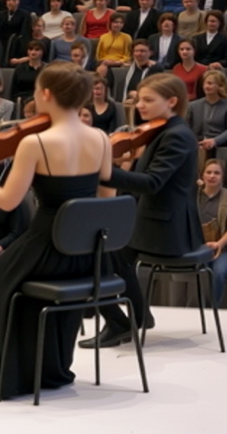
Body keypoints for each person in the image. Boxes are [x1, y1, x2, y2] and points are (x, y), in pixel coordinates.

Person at [0, 63, 115, 400]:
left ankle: (12, 374)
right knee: (17, 279)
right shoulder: (101, 139)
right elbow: (107, 199)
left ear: (46, 94)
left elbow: (6, 200)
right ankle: (52, 367)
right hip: (86, 252)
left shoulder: (35, 143)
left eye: (36, 90)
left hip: (46, 243)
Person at [87, 72, 202, 349]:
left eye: (148, 100)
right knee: (102, 252)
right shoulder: (162, 129)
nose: (139, 105)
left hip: (167, 227)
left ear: (172, 101)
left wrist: (103, 172)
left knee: (94, 256)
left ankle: (122, 322)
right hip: (153, 219)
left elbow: (152, 183)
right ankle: (137, 316)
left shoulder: (176, 136)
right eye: (139, 99)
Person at [193, 158, 227, 304]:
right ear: (202, 175)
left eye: (216, 173)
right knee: (200, 272)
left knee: (219, 273)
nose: (212, 176)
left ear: (223, 176)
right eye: (208, 172)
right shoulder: (192, 196)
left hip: (222, 249)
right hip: (196, 248)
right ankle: (198, 307)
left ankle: (213, 308)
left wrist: (219, 243)